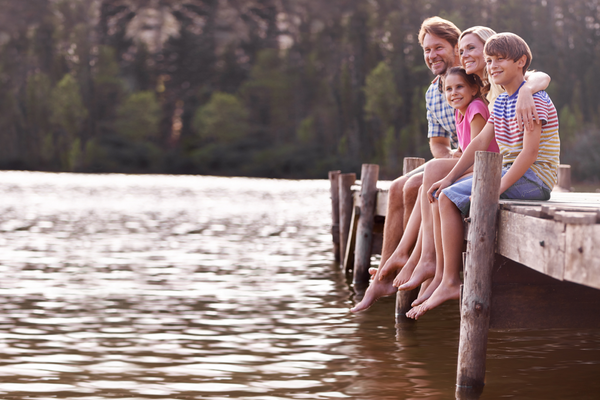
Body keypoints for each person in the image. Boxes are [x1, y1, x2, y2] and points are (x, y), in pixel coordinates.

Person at [390, 26, 550, 307]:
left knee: (449, 198)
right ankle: (443, 276)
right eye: (490, 61)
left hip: (532, 178)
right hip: (507, 170)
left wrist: (495, 188)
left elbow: (529, 154)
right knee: (443, 193)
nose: (492, 65)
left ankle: (449, 279)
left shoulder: (531, 99)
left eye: (498, 59)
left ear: (520, 61)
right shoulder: (500, 101)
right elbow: (477, 143)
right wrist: (449, 177)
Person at [350, 16, 460, 313]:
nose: (432, 55)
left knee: (415, 185)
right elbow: (437, 142)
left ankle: (419, 261)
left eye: (438, 47)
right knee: (398, 186)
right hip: (452, 158)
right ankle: (389, 264)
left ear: (456, 47)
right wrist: (445, 157)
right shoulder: (433, 92)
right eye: (426, 50)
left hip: (477, 159)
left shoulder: (473, 80)